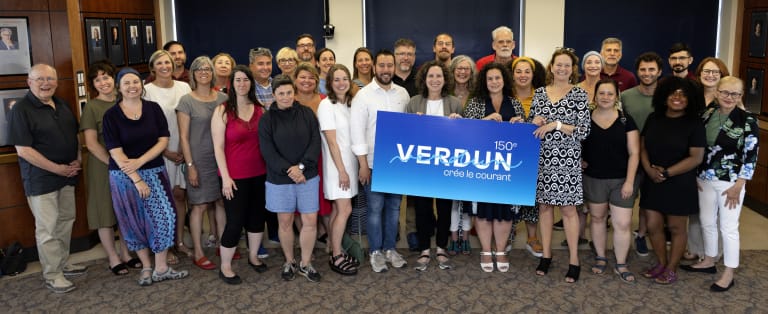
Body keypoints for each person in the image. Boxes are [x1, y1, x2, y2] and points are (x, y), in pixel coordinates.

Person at [102, 67, 189, 287]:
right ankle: (147, 267)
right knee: (133, 222)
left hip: (154, 171)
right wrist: (136, 178)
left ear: (141, 85)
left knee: (165, 217)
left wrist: (140, 162)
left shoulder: (153, 108)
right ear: (119, 88)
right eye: (127, 83)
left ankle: (161, 267)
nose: (132, 87)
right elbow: (115, 151)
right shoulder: (111, 115)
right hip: (124, 177)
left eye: (135, 82)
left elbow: (163, 139)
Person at [8, 64, 87, 293]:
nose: (46, 83)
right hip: (42, 180)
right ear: (29, 82)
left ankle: (62, 263)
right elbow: (23, 150)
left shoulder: (61, 104)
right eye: (40, 79)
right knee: (48, 229)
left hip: (67, 176)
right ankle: (52, 274)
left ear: (56, 81)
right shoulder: (20, 110)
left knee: (65, 222)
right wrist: (57, 169)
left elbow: (74, 136)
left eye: (50, 79)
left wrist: (78, 160)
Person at [681, 76, 758, 292]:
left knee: (728, 227)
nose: (729, 97)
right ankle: (708, 260)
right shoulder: (706, 114)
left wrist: (739, 184)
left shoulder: (748, 120)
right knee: (706, 221)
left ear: (741, 96)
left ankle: (729, 272)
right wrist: (694, 173)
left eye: (735, 94)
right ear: (717, 92)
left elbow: (751, 155)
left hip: (730, 181)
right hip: (703, 178)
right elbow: (696, 145)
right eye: (725, 92)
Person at [530, 48, 591, 283]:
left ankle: (574, 259)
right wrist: (533, 121)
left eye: (567, 65)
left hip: (566, 160)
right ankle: (546, 255)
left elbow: (584, 130)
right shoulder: (539, 93)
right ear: (552, 67)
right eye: (559, 64)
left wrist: (556, 124)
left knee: (568, 210)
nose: (562, 69)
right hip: (543, 158)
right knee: (544, 208)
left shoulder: (579, 94)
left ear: (572, 69)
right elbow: (533, 127)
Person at [640, 76, 705, 285]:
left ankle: (671, 268)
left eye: (683, 94)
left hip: (679, 181)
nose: (677, 97)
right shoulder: (653, 118)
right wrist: (650, 170)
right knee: (653, 225)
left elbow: (696, 157)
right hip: (652, 180)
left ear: (691, 99)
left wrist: (666, 173)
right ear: (663, 95)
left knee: (677, 228)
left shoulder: (694, 123)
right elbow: (642, 148)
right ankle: (661, 262)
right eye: (673, 93)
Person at [462, 62, 526, 273]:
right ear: (484, 81)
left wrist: (519, 123)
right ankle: (486, 250)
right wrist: (485, 120)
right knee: (483, 211)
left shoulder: (515, 103)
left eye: (497, 78)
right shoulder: (475, 103)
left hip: (507, 169)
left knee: (503, 210)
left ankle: (500, 250)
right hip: (480, 168)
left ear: (504, 80)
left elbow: (524, 137)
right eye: (490, 78)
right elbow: (466, 133)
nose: (494, 82)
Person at [350, 49, 410, 273]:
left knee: (394, 209)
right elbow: (357, 132)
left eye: (389, 65)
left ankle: (390, 249)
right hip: (373, 164)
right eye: (382, 65)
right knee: (375, 209)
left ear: (394, 67)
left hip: (397, 164)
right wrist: (363, 165)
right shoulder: (363, 96)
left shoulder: (403, 94)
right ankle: (375, 251)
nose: (386, 70)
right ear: (374, 67)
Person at [259, 74, 322, 282]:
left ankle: (305, 263)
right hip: (280, 179)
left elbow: (315, 143)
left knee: (309, 220)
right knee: (285, 221)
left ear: (294, 93)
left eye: (289, 92)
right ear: (274, 95)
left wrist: (301, 168)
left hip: (308, 176)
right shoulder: (267, 119)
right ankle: (289, 261)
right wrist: (291, 170)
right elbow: (267, 151)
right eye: (281, 93)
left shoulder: (307, 114)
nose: (285, 97)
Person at [81, 60, 141, 277]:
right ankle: (113, 258)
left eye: (106, 77)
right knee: (104, 212)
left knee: (124, 209)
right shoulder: (92, 107)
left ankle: (126, 253)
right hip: (103, 166)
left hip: (127, 164)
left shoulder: (124, 101)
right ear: (92, 85)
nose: (103, 82)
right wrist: (113, 163)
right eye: (97, 79)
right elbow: (91, 143)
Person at [211, 65, 269, 285]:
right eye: (238, 80)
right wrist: (225, 177)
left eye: (246, 80)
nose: (242, 84)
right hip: (233, 177)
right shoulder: (223, 111)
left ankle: (253, 257)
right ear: (231, 84)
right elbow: (218, 147)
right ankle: (225, 267)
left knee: (256, 219)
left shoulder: (261, 108)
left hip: (260, 174)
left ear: (251, 83)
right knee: (235, 222)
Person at [405, 60, 463, 271]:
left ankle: (441, 247)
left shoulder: (455, 103)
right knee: (422, 209)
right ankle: (424, 249)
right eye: (431, 76)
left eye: (439, 76)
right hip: (421, 166)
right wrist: (413, 122)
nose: (435, 80)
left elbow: (463, 138)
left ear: (445, 79)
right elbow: (406, 135)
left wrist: (458, 121)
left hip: (446, 166)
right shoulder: (414, 103)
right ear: (424, 79)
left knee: (445, 208)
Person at [582, 79, 640, 283]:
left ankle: (621, 263)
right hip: (594, 179)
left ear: (617, 96)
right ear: (595, 96)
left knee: (622, 223)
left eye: (610, 93)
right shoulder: (585, 119)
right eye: (602, 93)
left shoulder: (626, 120)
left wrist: (630, 182)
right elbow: (576, 144)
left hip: (622, 180)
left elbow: (634, 153)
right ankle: (600, 257)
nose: (605, 97)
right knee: (597, 219)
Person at [177, 56, 229, 271]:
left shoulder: (224, 98)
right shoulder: (186, 101)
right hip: (198, 160)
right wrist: (190, 166)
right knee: (199, 205)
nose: (203, 72)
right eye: (199, 69)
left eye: (207, 68)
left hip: (222, 159)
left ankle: (223, 245)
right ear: (193, 74)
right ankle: (198, 251)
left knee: (220, 202)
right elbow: (184, 137)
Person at [143, 50, 192, 262]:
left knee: (180, 196)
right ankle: (166, 244)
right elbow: (143, 127)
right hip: (159, 152)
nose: (165, 66)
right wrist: (166, 152)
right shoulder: (146, 91)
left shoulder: (184, 87)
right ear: (153, 68)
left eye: (168, 62)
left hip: (183, 150)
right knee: (163, 200)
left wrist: (185, 150)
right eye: (160, 63)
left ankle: (179, 241)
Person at [683, 57, 731, 262]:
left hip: (719, 162)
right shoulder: (693, 98)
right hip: (694, 159)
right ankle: (695, 248)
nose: (710, 75)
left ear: (722, 76)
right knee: (696, 208)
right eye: (706, 71)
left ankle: (715, 251)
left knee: (718, 210)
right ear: (699, 73)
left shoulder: (728, 99)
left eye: (715, 72)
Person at [318, 64, 360, 275]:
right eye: (336, 79)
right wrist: (342, 171)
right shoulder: (326, 106)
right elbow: (332, 143)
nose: (341, 83)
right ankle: (336, 255)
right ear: (330, 83)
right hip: (338, 167)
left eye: (345, 79)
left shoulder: (349, 105)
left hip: (349, 165)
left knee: (337, 210)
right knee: (345, 210)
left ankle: (336, 250)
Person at [620, 52, 664, 257]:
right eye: (643, 70)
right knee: (624, 197)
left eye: (651, 69)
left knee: (648, 201)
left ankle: (641, 235)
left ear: (659, 72)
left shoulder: (666, 96)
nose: (647, 74)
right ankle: (621, 236)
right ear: (637, 71)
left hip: (656, 156)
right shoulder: (626, 96)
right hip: (628, 155)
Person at [293, 62, 333, 243]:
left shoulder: (325, 100)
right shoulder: (288, 99)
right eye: (302, 77)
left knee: (321, 197)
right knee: (298, 199)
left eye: (311, 78)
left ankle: (330, 239)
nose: (307, 81)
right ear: (295, 80)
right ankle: (305, 240)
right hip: (295, 157)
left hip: (321, 156)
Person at [509, 56, 545, 258]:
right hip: (511, 155)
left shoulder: (542, 96)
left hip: (535, 154)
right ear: (512, 74)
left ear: (533, 74)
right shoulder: (506, 96)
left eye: (527, 72)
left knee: (532, 196)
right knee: (511, 194)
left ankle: (532, 237)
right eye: (518, 71)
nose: (523, 75)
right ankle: (510, 231)